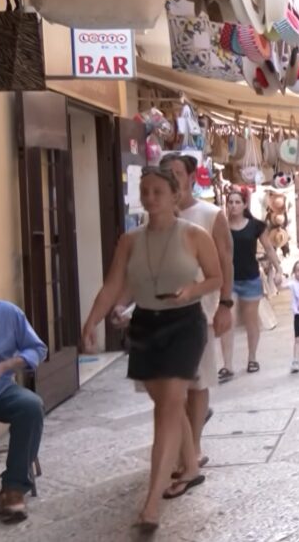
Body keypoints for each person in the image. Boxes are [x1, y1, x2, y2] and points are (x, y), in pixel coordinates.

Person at [82, 166, 222, 533]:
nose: (149, 197)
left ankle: (151, 505)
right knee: (165, 404)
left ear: (175, 195)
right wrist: (92, 320)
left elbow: (216, 278)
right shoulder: (129, 240)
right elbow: (113, 285)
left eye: (157, 191)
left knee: (168, 407)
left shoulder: (194, 235)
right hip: (145, 325)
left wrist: (191, 291)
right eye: (144, 191)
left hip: (184, 325)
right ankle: (190, 466)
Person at [113, 153, 234, 477]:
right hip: (157, 315)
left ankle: (193, 448)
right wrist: (123, 305)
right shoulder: (151, 219)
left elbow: (225, 261)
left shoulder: (210, 215)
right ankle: (183, 452)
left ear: (190, 178)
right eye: (166, 172)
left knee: (197, 381)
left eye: (177, 173)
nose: (171, 178)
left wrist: (225, 304)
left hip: (199, 310)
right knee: (169, 390)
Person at [0, 277, 47, 524]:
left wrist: (2, 366)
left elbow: (37, 349)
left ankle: (13, 489)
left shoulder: (8, 314)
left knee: (30, 407)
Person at [219, 189, 282, 381]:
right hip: (228, 280)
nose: (233, 206)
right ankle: (227, 366)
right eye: (230, 202)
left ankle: (252, 358)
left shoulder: (256, 226)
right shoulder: (221, 226)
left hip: (250, 279)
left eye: (237, 202)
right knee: (227, 322)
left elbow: (269, 248)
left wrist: (278, 269)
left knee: (251, 321)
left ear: (244, 205)